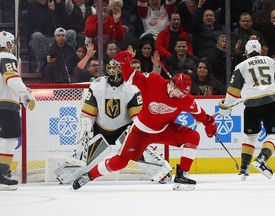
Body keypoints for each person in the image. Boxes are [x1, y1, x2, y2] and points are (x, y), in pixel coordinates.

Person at [72, 46, 217, 191]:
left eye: (183, 94)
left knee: (193, 136)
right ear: (172, 84)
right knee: (120, 162)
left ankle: (182, 174)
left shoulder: (184, 98)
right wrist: (124, 63)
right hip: (140, 132)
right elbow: (130, 78)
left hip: (164, 130)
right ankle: (88, 176)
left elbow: (200, 114)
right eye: (179, 92)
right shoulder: (153, 81)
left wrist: (209, 124)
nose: (180, 96)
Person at [57, 58, 173, 184]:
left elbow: (138, 118)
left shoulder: (132, 87)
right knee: (84, 153)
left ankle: (161, 173)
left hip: (124, 130)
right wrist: (86, 125)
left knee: (139, 148)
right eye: (110, 68)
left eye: (115, 68)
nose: (112, 71)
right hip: (100, 129)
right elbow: (88, 113)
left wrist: (140, 135)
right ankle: (65, 175)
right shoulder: (97, 84)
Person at [218, 40, 275, 181]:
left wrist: (226, 106)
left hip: (251, 105)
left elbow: (233, 91)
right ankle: (262, 159)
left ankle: (244, 168)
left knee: (251, 136)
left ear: (246, 52)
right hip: (270, 101)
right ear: (261, 50)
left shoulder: (241, 66)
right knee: (273, 135)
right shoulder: (270, 61)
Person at [0, 31, 36, 191]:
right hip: (5, 104)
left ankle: (2, 175)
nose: (13, 45)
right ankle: (1, 177)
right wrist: (25, 95)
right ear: (7, 44)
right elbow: (11, 78)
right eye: (11, 42)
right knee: (10, 139)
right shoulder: (6, 57)